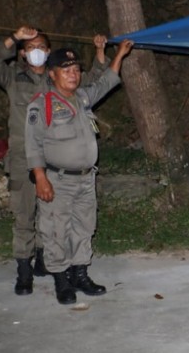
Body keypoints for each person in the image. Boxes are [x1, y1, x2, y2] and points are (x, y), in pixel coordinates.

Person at [0, 27, 109, 296]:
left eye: (41, 47)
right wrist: (14, 37)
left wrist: (100, 53)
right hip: (22, 157)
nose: (35, 51)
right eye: (30, 47)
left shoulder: (58, 79)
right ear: (23, 53)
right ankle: (24, 272)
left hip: (54, 158)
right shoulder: (13, 77)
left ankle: (45, 261)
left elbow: (92, 83)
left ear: (49, 53)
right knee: (25, 214)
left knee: (52, 218)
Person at [25, 39, 133, 305]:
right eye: (66, 69)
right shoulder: (42, 104)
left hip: (86, 178)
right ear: (52, 74)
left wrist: (119, 54)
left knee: (84, 227)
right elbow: (32, 144)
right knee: (56, 230)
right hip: (57, 180)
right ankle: (61, 280)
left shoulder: (83, 97)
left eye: (76, 69)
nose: (73, 74)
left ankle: (80, 274)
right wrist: (40, 178)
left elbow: (107, 82)